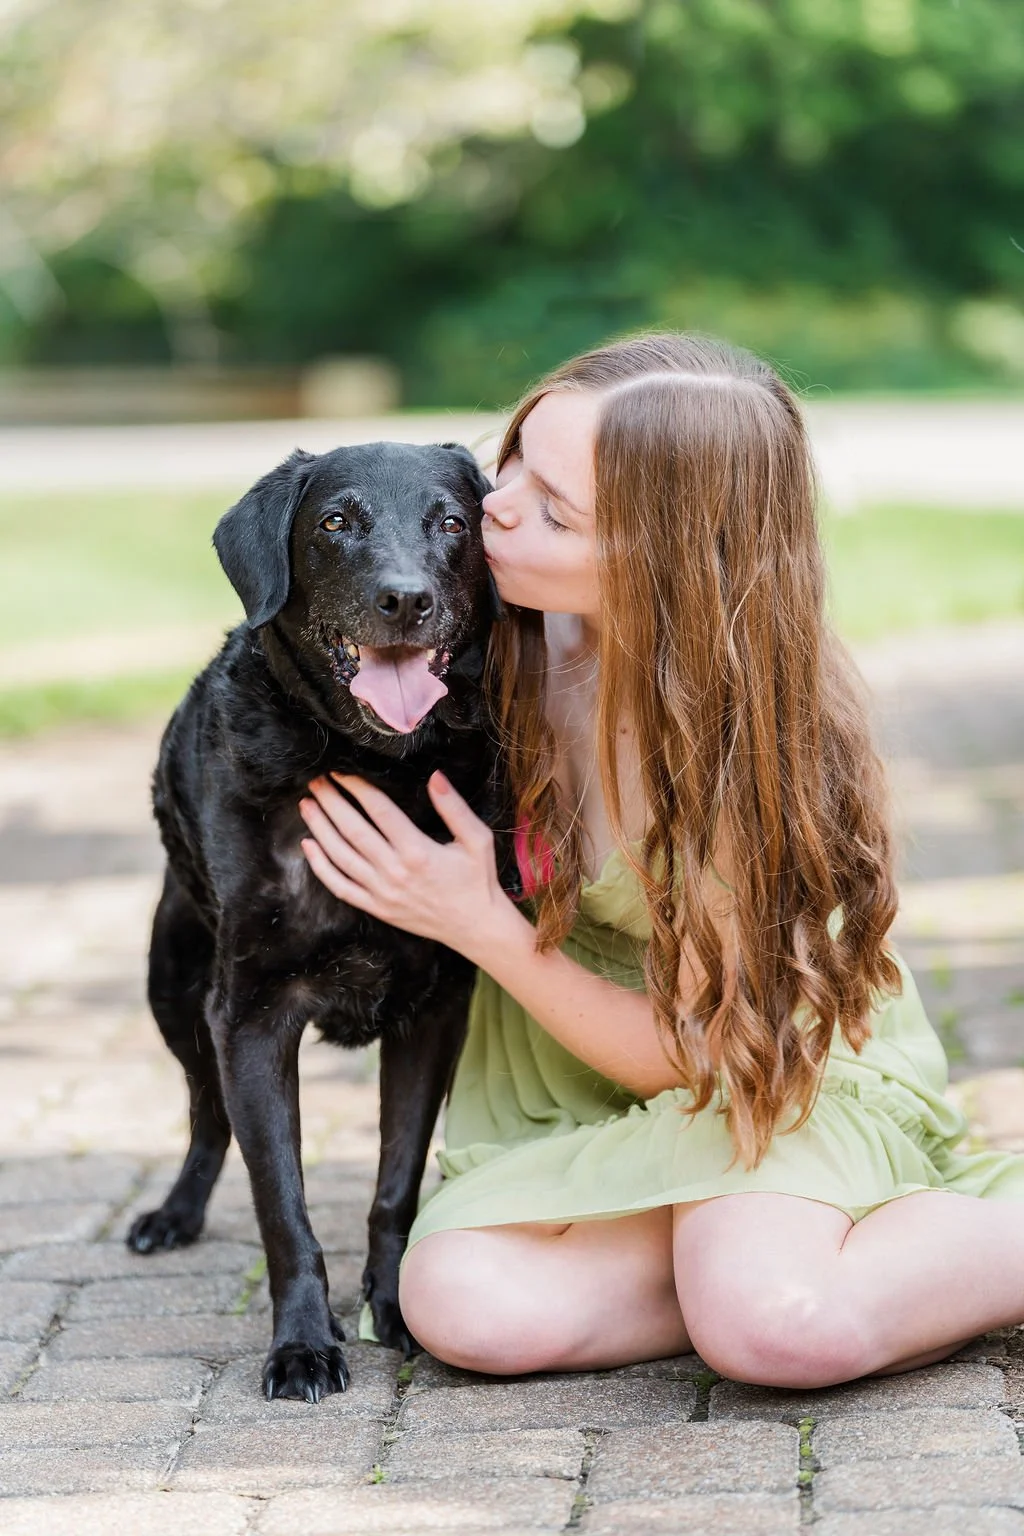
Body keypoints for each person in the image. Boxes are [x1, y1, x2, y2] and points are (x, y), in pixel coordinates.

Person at [297, 332, 1024, 1389]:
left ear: (659, 563)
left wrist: (477, 922)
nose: (494, 506)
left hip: (751, 1081)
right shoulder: (490, 635)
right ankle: (746, 1238)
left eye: (554, 510)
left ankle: (817, 1240)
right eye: (510, 463)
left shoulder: (731, 745)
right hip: (574, 1099)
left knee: (778, 1330)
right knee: (461, 1305)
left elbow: (695, 1054)